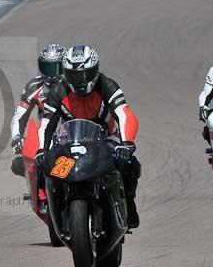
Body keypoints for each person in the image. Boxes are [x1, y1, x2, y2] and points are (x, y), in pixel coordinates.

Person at [36, 45, 141, 229]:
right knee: (45, 167)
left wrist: (127, 143)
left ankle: (129, 202)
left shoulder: (107, 85)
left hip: (106, 139)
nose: (80, 80)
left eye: (85, 74)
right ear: (66, 73)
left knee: (129, 163)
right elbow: (46, 124)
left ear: (96, 70)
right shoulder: (58, 91)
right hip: (71, 142)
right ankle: (54, 212)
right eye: (75, 75)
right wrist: (41, 150)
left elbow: (124, 114)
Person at [10, 43, 66, 176]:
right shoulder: (34, 87)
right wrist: (16, 137)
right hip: (47, 136)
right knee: (20, 163)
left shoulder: (75, 86)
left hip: (75, 133)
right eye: (47, 68)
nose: (52, 74)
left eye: (56, 68)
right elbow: (19, 116)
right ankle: (38, 193)